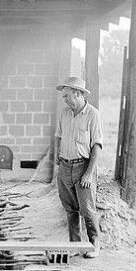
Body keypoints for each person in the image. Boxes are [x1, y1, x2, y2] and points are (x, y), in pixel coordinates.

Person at [54, 76, 103, 259]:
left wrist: (89, 174)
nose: (64, 99)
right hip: (65, 166)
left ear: (78, 94)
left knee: (87, 209)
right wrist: (58, 156)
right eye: (63, 96)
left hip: (83, 167)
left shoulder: (93, 114)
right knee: (70, 209)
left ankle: (93, 245)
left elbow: (97, 146)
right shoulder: (65, 114)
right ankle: (74, 245)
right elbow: (58, 136)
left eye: (67, 96)